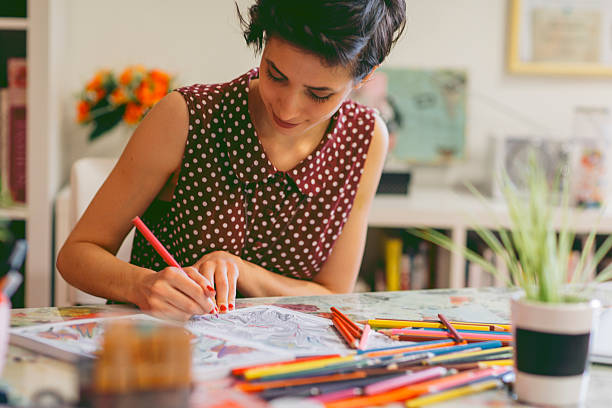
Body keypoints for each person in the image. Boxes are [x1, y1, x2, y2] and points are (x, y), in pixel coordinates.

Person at [57, 0, 407, 321]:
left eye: (319, 94)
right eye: (275, 74)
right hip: (163, 354)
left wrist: (240, 269)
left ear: (366, 76)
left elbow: (333, 294)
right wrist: (141, 285)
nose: (287, 108)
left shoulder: (365, 138)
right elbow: (77, 255)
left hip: (278, 368)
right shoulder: (187, 116)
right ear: (264, 41)